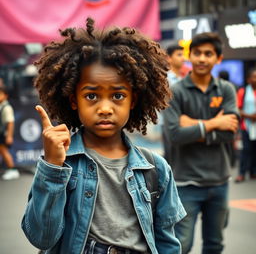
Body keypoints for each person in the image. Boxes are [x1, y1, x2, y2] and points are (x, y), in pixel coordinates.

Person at [21, 18, 186, 254]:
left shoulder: (156, 169)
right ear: (73, 100)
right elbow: (42, 238)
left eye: (117, 96)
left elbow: (167, 243)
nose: (105, 108)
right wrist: (52, 167)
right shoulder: (61, 162)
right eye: (91, 96)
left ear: (133, 100)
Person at [163, 32, 239, 254]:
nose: (202, 59)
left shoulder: (226, 89)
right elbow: (175, 135)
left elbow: (230, 134)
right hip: (185, 182)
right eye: (197, 53)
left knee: (214, 244)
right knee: (181, 245)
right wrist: (215, 123)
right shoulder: (175, 92)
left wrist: (193, 125)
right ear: (190, 56)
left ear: (218, 59)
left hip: (219, 181)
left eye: (208, 54)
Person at [235, 67, 256, 182]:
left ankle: (253, 172)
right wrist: (249, 116)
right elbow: (237, 109)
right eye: (254, 77)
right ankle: (242, 173)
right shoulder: (242, 92)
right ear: (248, 79)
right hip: (246, 126)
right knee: (246, 150)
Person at [0, 83, 19, 180]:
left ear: (6, 95)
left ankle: (12, 170)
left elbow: (10, 122)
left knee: (4, 151)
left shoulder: (6, 107)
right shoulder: (1, 106)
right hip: (1, 134)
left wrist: (9, 136)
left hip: (4, 134)